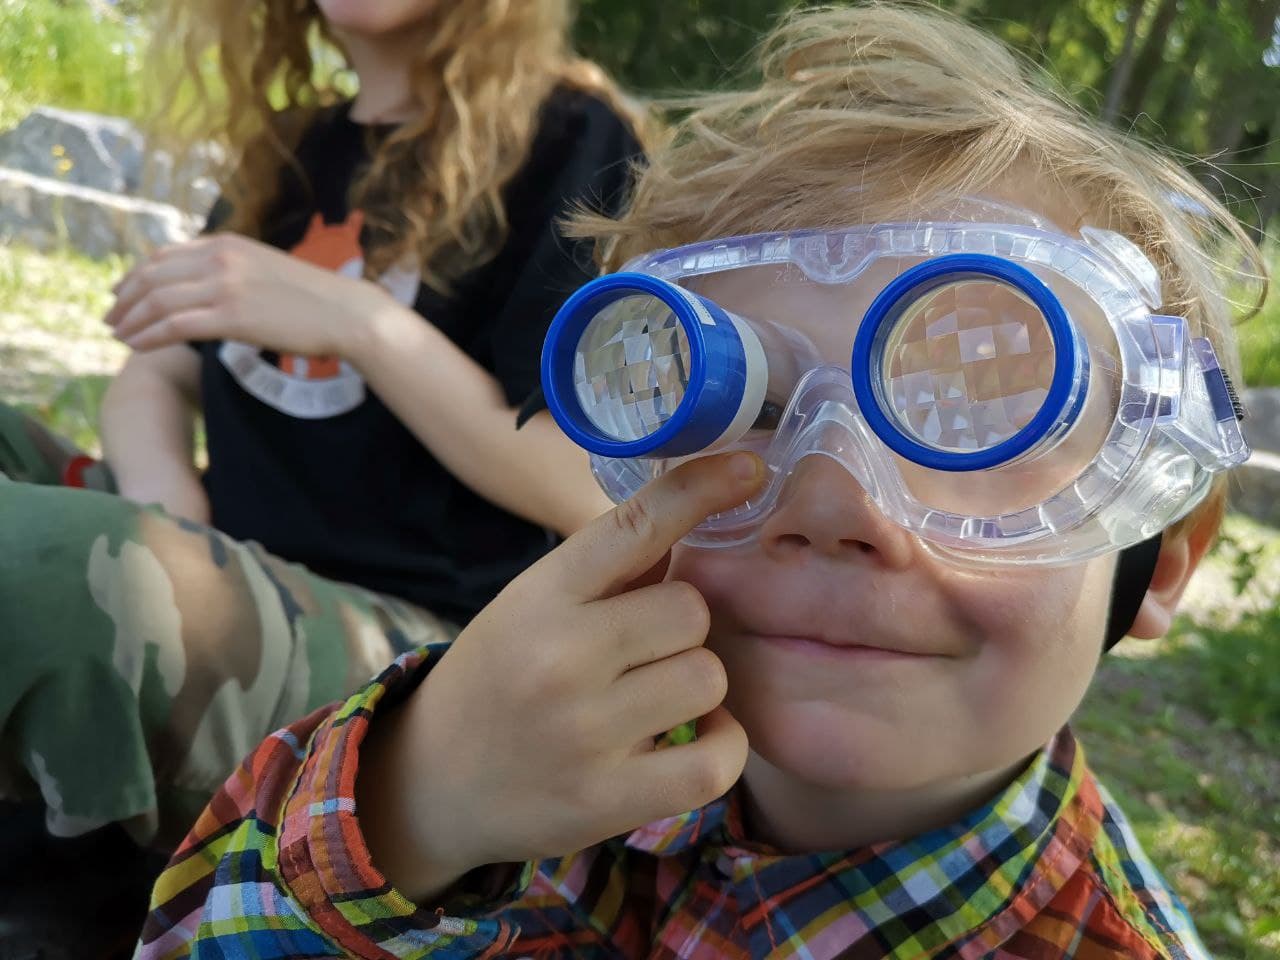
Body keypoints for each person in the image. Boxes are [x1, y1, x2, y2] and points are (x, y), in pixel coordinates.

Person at [137, 3, 1261, 958]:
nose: (830, 506)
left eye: (976, 416)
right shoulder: (515, 765)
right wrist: (416, 807)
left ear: (1159, 550)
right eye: (746, 408)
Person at [0, 0, 639, 876]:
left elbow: (590, 486)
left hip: (422, 652)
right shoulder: (299, 145)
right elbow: (158, 368)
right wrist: (167, 512)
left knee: (34, 568)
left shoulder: (571, 140)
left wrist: (362, 324)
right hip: (231, 572)